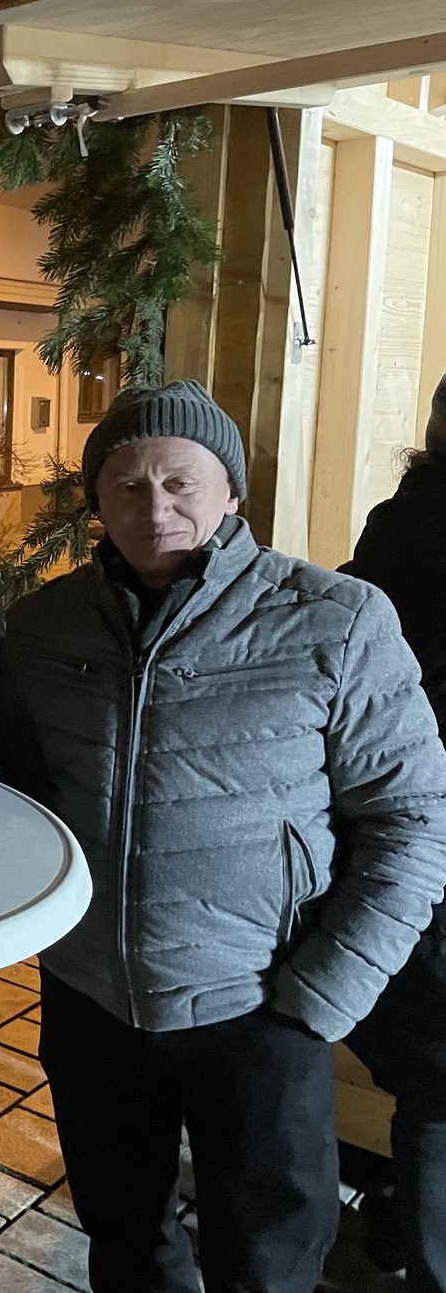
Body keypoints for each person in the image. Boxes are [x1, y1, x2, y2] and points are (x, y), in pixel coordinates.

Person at [0, 379, 446, 1293]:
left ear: (232, 492)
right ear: (95, 498)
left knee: (267, 1262)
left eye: (181, 482)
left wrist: (325, 994)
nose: (154, 507)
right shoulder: (41, 626)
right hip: (93, 1001)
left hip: (262, 1008)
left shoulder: (337, 620)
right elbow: (17, 791)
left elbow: (410, 822)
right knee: (126, 1242)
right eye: (127, 484)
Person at [338, 369, 446, 1293]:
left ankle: (407, 1235)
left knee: (431, 1073)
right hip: (421, 822)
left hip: (407, 820)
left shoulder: (402, 523)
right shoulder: (413, 530)